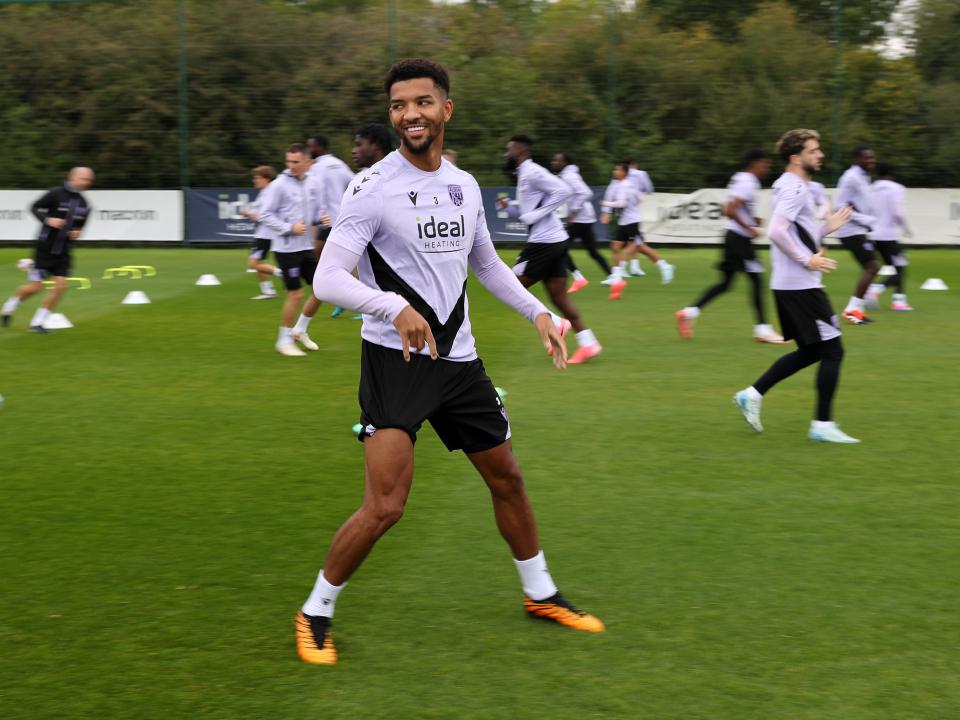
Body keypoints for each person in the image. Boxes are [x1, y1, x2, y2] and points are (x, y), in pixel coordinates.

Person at [296, 58, 604, 665]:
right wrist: (390, 307)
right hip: (396, 364)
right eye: (398, 105)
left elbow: (485, 265)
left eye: (422, 102)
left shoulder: (463, 186)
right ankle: (314, 612)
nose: (410, 114)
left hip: (461, 364)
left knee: (507, 478)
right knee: (386, 505)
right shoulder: (371, 187)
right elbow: (328, 277)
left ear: (446, 109)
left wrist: (539, 314)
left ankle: (540, 593)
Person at [733, 128, 859, 443]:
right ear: (796, 157)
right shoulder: (795, 189)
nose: (820, 155)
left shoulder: (793, 186)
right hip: (800, 285)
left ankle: (753, 393)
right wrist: (807, 259)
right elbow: (776, 231)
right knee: (833, 350)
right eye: (814, 150)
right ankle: (822, 425)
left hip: (792, 284)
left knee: (813, 350)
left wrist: (825, 229)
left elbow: (796, 232)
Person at [499, 135, 603, 362]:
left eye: (509, 150)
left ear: (519, 151)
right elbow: (528, 214)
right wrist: (510, 209)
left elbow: (563, 190)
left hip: (544, 243)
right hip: (554, 240)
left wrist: (536, 214)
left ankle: (556, 323)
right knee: (559, 297)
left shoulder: (532, 171)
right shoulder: (524, 174)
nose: (506, 155)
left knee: (508, 285)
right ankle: (589, 343)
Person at [675, 149, 783, 343]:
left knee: (725, 284)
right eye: (765, 165)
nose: (767, 169)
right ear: (754, 164)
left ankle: (688, 313)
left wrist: (751, 219)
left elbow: (732, 208)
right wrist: (748, 228)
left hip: (732, 238)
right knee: (757, 281)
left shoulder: (741, 178)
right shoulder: (748, 182)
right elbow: (729, 209)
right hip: (739, 240)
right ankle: (763, 330)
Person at [2, 167, 95, 332]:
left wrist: (77, 232)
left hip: (64, 251)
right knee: (36, 287)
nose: (86, 183)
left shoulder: (85, 204)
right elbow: (34, 207)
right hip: (44, 248)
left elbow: (80, 227)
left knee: (61, 286)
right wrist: (48, 220)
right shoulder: (55, 193)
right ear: (72, 177)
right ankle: (10, 305)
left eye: (89, 180)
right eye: (84, 179)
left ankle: (37, 323)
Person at [258, 143, 323, 356]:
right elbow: (265, 215)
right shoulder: (278, 185)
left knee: (322, 289)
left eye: (296, 162)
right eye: (289, 162)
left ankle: (300, 330)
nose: (291, 166)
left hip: (306, 247)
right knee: (295, 294)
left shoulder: (314, 182)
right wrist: (289, 228)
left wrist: (320, 219)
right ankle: (283, 341)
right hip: (286, 250)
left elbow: (314, 214)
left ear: (306, 161)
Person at [551, 152, 614, 292]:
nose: (553, 162)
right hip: (585, 217)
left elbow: (586, 193)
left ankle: (579, 278)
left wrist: (573, 211)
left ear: (565, 163)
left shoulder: (569, 176)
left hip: (580, 218)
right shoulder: (567, 175)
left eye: (556, 160)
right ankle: (614, 277)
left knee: (559, 249)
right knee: (592, 251)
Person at [834, 145, 879, 324]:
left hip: (859, 230)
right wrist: (866, 220)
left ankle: (856, 310)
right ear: (857, 159)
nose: (871, 161)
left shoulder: (863, 177)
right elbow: (839, 207)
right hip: (850, 231)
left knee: (871, 267)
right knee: (873, 267)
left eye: (872, 158)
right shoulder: (850, 177)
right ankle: (852, 310)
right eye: (867, 158)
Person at [866, 162, 913, 311]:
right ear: (891, 173)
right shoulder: (896, 188)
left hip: (873, 235)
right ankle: (875, 290)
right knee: (901, 268)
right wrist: (905, 228)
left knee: (896, 268)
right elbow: (898, 212)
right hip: (888, 236)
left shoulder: (871, 189)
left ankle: (899, 301)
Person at [624, 158, 674, 283]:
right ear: (635, 164)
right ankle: (632, 267)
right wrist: (639, 195)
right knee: (634, 242)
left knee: (633, 243)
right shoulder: (641, 174)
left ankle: (618, 271)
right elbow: (649, 189)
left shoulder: (623, 176)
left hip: (629, 214)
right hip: (631, 213)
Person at [243, 165, 280, 300]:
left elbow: (263, 215)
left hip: (265, 234)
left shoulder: (269, 193)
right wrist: (250, 214)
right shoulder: (264, 192)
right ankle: (268, 291)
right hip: (262, 233)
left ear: (266, 178)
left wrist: (251, 214)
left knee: (253, 264)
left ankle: (282, 273)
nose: (254, 180)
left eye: (257, 178)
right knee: (258, 263)